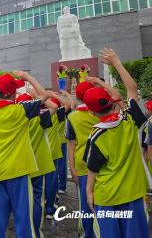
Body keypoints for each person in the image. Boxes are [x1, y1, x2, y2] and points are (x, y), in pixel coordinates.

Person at [0, 71, 54, 238]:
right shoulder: (21, 110)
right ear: (12, 93)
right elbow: (45, 95)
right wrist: (28, 77)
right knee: (23, 220)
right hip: (19, 172)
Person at [85, 48, 149, 238]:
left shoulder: (96, 135)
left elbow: (92, 170)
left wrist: (89, 191)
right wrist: (117, 62)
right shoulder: (131, 121)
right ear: (114, 104)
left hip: (106, 197)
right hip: (133, 194)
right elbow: (131, 89)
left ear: (91, 113)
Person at [16, 92, 55, 238]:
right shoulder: (41, 117)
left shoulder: (16, 119)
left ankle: (25, 231)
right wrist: (37, 95)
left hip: (21, 166)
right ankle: (36, 231)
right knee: (37, 200)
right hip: (39, 165)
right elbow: (54, 106)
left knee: (22, 201)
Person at [65, 81, 99, 238]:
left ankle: (88, 234)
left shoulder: (72, 117)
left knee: (86, 203)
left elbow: (71, 143)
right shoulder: (101, 112)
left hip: (82, 164)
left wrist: (72, 167)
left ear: (77, 97)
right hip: (104, 163)